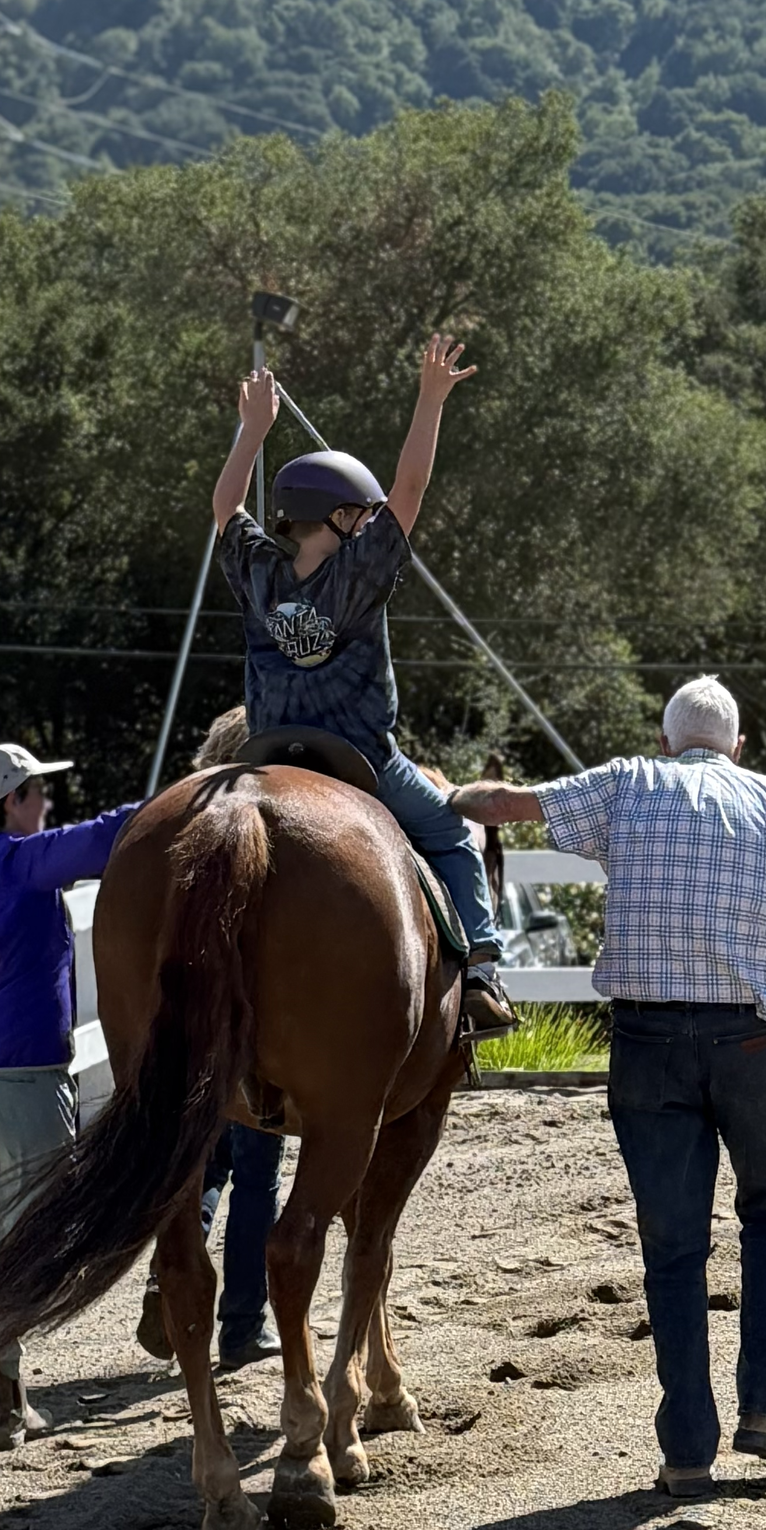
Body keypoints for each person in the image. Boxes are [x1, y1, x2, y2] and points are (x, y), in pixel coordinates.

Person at [450, 676, 766, 1499]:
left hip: (646, 1040)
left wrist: (436, 786)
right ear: (737, 746)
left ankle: (686, 1448)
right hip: (750, 1038)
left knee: (673, 1247)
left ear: (668, 739)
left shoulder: (629, 783)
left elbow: (507, 804)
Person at [210, 336, 515, 1039]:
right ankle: (481, 974)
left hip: (267, 753)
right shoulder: (358, 572)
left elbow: (226, 507)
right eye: (363, 513)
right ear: (344, 517)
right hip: (361, 760)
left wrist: (252, 431)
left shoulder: (261, 571)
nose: (371, 522)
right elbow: (409, 490)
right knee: (450, 834)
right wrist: (429, 401)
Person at [0, 742, 140, 1478]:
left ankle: (7, 1408)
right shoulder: (17, 861)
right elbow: (106, 837)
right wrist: (193, 793)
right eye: (38, 790)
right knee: (46, 1241)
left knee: (3, 1244)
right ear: (11, 800)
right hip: (21, 1081)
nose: (47, 803)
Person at [134, 705, 285, 1372]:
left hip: (186, 1031)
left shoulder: (187, 831)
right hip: (249, 1031)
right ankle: (244, 1324)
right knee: (257, 1172)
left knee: (204, 1161)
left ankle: (167, 1282)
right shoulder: (263, 833)